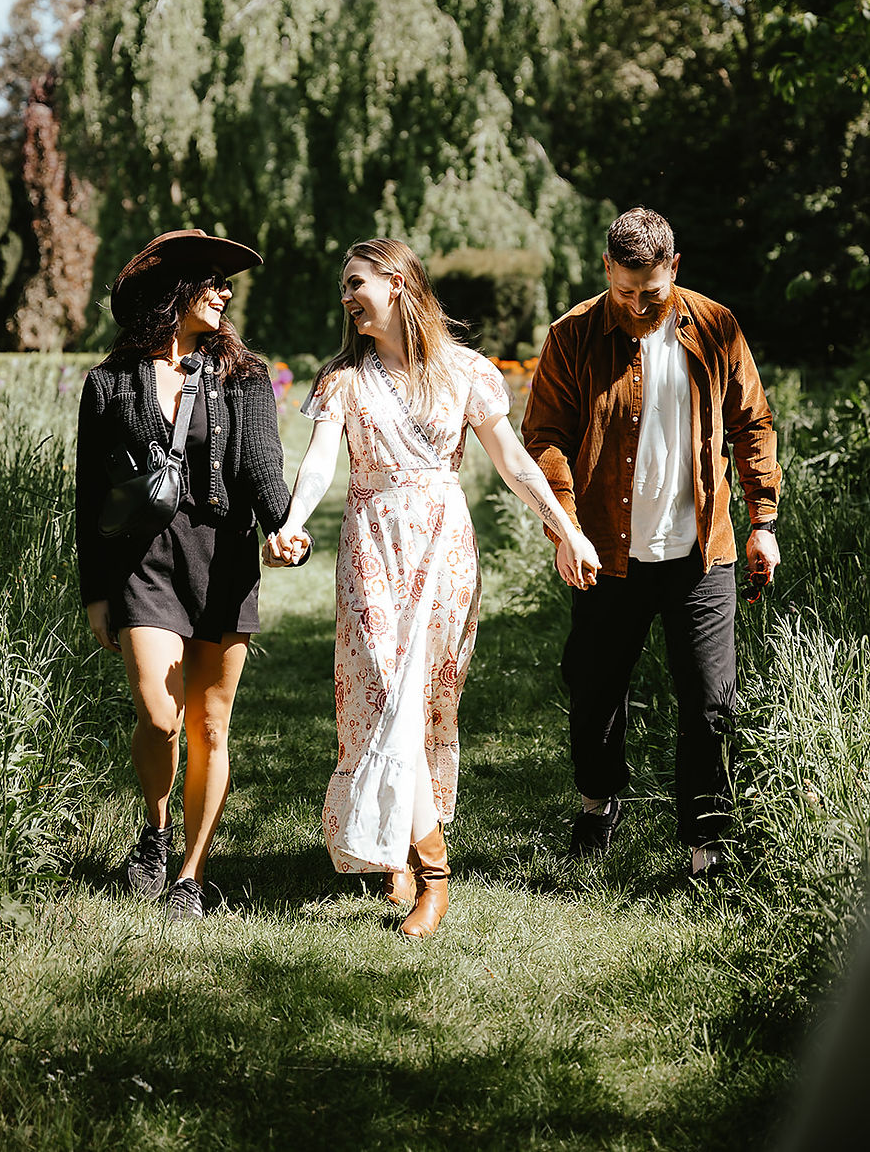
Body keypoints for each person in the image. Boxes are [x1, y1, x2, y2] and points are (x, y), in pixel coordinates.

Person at [265, 238, 600, 938]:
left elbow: (512, 461)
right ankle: (435, 874)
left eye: (356, 282)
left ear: (397, 282)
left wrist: (567, 530)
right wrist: (294, 523)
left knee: (426, 702)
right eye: (343, 287)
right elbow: (321, 462)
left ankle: (401, 848)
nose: (347, 296)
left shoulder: (468, 373)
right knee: (383, 691)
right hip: (371, 550)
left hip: (443, 551)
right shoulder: (343, 380)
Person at [520, 206, 781, 881]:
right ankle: (599, 802)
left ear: (675, 269)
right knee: (595, 691)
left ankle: (705, 844)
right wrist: (565, 528)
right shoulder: (572, 336)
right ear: (606, 268)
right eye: (625, 290)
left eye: (653, 292)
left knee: (709, 699)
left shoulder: (716, 327)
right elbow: (544, 437)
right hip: (607, 552)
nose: (638, 305)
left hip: (703, 553)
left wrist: (764, 522)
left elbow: (752, 422)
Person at [75, 229, 309, 921]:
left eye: (226, 284)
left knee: (210, 726)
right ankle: (154, 828)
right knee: (158, 714)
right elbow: (90, 497)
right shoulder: (109, 383)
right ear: (172, 291)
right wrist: (95, 591)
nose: (226, 292)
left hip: (224, 561)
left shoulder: (242, 376)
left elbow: (264, 465)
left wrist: (284, 527)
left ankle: (190, 874)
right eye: (212, 281)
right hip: (144, 565)